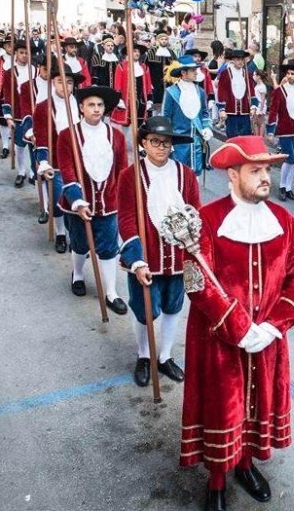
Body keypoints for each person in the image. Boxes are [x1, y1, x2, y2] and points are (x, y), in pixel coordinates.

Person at [179, 135, 294, 511]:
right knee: (223, 408)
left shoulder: (284, 220)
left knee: (257, 404)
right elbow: (197, 282)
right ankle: (217, 481)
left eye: (267, 169)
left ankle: (246, 464)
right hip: (219, 341)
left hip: (267, 339)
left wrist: (271, 326)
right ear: (233, 175)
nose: (265, 177)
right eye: (256, 170)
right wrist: (238, 328)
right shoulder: (207, 220)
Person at [117, 117, 201, 387]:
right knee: (145, 309)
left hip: (178, 256)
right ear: (143, 143)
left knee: (174, 306)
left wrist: (195, 242)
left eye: (166, 143)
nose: (161, 147)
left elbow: (195, 212)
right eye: (155, 141)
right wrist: (137, 260)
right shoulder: (131, 175)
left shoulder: (185, 174)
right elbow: (127, 218)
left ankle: (164, 356)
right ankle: (144, 355)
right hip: (147, 256)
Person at [56, 86, 129, 315]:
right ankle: (77, 274)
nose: (96, 109)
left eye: (99, 105)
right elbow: (67, 171)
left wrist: (123, 198)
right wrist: (77, 201)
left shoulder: (115, 136)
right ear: (81, 108)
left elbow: (122, 170)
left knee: (108, 248)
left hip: (109, 202)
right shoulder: (67, 135)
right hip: (79, 203)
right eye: (91, 105)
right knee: (79, 243)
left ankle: (110, 292)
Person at [26, 61, 80, 253]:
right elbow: (41, 137)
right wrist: (43, 161)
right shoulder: (43, 107)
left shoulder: (80, 104)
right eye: (60, 81)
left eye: (70, 82)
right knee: (57, 201)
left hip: (78, 162)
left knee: (76, 201)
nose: (65, 86)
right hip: (56, 162)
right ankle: (60, 234)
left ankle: (76, 236)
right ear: (53, 83)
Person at [161, 56, 214, 175]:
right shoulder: (171, 92)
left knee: (195, 178)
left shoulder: (200, 92)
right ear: (183, 73)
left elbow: (205, 114)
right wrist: (167, 141)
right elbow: (165, 118)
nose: (196, 73)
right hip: (178, 144)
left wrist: (207, 127)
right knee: (178, 177)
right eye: (193, 70)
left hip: (197, 144)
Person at [266, 61, 294, 201]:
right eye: (288, 73)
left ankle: (289, 187)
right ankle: (282, 186)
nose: (290, 76)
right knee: (289, 158)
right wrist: (271, 131)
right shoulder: (279, 91)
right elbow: (273, 111)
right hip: (285, 129)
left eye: (293, 74)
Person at [0, 40, 35, 188]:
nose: (24, 55)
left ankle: (33, 171)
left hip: (33, 114)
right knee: (20, 145)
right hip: (18, 113)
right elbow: (7, 94)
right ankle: (21, 172)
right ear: (16, 54)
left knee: (34, 144)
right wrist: (8, 116)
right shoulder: (9, 72)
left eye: (27, 53)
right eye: (21, 52)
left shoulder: (36, 71)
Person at [111, 42, 154, 135]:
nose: (137, 53)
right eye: (134, 51)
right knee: (125, 125)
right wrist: (119, 99)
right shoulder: (121, 66)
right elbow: (117, 85)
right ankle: (124, 146)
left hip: (141, 101)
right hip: (127, 101)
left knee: (141, 124)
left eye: (138, 52)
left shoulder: (144, 68)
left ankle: (138, 146)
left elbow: (148, 84)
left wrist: (150, 100)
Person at [217, 48, 258, 138]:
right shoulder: (225, 74)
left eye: (242, 59)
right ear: (233, 60)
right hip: (231, 112)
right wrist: (222, 109)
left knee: (246, 138)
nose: (241, 62)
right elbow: (221, 92)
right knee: (233, 138)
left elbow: (251, 91)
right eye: (238, 59)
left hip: (245, 112)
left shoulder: (247, 74)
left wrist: (253, 106)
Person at [146, 29, 176, 108]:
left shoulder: (171, 52)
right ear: (158, 40)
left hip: (168, 83)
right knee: (156, 103)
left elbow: (176, 67)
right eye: (162, 39)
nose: (164, 41)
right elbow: (147, 68)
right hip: (155, 82)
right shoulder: (152, 52)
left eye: (166, 39)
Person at [252, 69, 270, 138]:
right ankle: (257, 138)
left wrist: (261, 110)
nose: (253, 76)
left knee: (260, 123)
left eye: (254, 75)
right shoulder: (257, 86)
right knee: (255, 123)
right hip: (256, 106)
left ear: (258, 76)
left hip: (260, 107)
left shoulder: (262, 86)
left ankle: (260, 138)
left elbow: (262, 100)